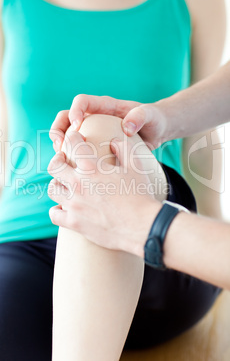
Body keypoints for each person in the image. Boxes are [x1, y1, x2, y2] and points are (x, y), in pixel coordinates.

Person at [0, 0, 226, 359]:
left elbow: (202, 125)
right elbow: (10, 113)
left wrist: (210, 220)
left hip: (154, 238)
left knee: (98, 134)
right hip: (29, 232)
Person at [48, 61, 230, 290]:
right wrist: (165, 117)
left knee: (98, 135)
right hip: (20, 239)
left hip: (173, 231)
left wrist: (142, 222)